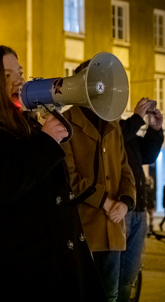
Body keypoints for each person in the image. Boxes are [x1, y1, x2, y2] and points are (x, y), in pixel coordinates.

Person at [0, 45, 106, 301]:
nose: (19, 80)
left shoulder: (22, 125)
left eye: (20, 72)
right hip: (5, 274)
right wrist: (46, 143)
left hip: (41, 263)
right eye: (6, 75)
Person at [61, 59, 136, 302]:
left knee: (110, 295)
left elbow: (125, 170)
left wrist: (124, 202)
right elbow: (69, 177)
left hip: (113, 227)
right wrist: (104, 201)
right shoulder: (66, 121)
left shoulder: (112, 122)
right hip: (85, 226)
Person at [117, 97, 163, 302]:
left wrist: (154, 130)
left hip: (138, 210)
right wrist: (136, 118)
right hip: (119, 210)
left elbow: (147, 155)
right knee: (113, 274)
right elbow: (115, 140)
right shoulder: (108, 129)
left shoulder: (122, 127)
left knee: (129, 275)